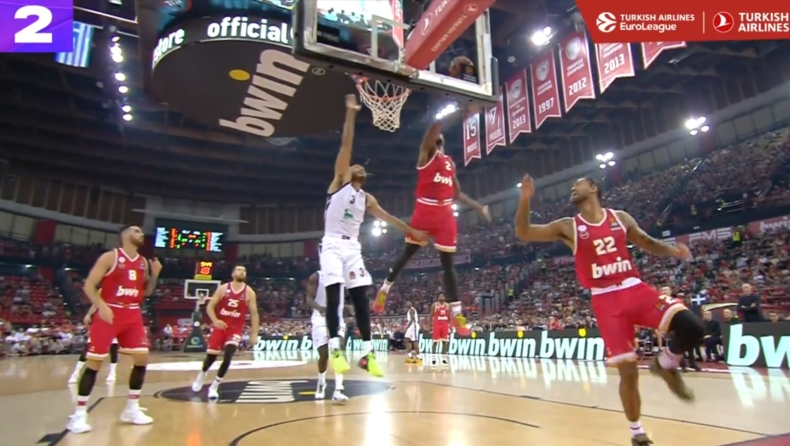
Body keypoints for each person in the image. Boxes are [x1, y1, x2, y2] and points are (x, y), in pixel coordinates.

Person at [514, 175, 704, 446]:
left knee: (693, 327)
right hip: (606, 300)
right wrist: (524, 200)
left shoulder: (620, 218)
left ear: (593, 188)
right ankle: (637, 433)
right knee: (629, 372)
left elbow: (647, 242)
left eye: (578, 184)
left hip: (635, 288)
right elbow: (524, 232)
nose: (572, 188)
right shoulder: (568, 226)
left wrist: (673, 251)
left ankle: (665, 364)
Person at [321, 94, 427, 378]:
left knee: (360, 298)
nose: (359, 166)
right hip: (331, 245)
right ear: (348, 172)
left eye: (362, 167)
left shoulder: (367, 198)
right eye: (355, 166)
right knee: (334, 296)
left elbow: (389, 218)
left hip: (352, 248)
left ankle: (367, 355)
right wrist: (351, 113)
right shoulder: (339, 182)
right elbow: (346, 145)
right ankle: (335, 348)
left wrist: (412, 231)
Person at [373, 121, 491, 335]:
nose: (437, 141)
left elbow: (457, 193)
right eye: (435, 139)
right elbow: (430, 133)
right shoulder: (426, 156)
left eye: (440, 139)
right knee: (407, 255)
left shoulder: (449, 163)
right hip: (425, 210)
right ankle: (385, 289)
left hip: (444, 213)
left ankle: (457, 314)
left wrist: (478, 206)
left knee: (448, 265)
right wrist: (444, 119)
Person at [67, 226, 162, 434]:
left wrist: (155, 274)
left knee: (142, 359)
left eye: (141, 232)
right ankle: (79, 414)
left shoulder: (143, 262)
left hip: (133, 313)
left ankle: (131, 408)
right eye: (136, 231)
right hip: (109, 311)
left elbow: (146, 291)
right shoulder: (110, 257)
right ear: (124, 235)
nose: (141, 234)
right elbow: (89, 285)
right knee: (94, 362)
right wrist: (101, 306)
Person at [191, 265, 259, 400]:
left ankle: (214, 386)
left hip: (235, 329)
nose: (241, 272)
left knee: (228, 355)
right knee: (210, 358)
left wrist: (254, 333)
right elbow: (210, 307)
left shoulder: (249, 292)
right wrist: (215, 320)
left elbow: (254, 314)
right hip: (220, 328)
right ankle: (202, 375)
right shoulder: (223, 288)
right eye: (239, 270)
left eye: (244, 271)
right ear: (233, 274)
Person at [306, 270, 348, 402]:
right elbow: (308, 299)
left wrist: (349, 307)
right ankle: (321, 383)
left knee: (339, 350)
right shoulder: (316, 276)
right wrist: (319, 308)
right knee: (324, 355)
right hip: (320, 315)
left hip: (337, 315)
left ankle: (338, 390)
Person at [69, 300, 119, 384]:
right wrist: (89, 314)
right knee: (86, 350)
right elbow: (96, 304)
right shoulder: (103, 295)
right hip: (100, 324)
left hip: (114, 323)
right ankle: (75, 373)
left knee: (113, 350)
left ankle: (112, 373)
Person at [430, 293, 451, 367]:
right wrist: (429, 325)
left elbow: (449, 316)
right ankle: (433, 358)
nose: (441, 297)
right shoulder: (434, 305)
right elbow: (431, 316)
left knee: (444, 342)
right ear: (438, 298)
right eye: (440, 296)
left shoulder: (448, 305)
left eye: (443, 296)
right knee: (435, 342)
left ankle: (444, 359)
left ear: (444, 297)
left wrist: (450, 325)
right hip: (437, 325)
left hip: (445, 325)